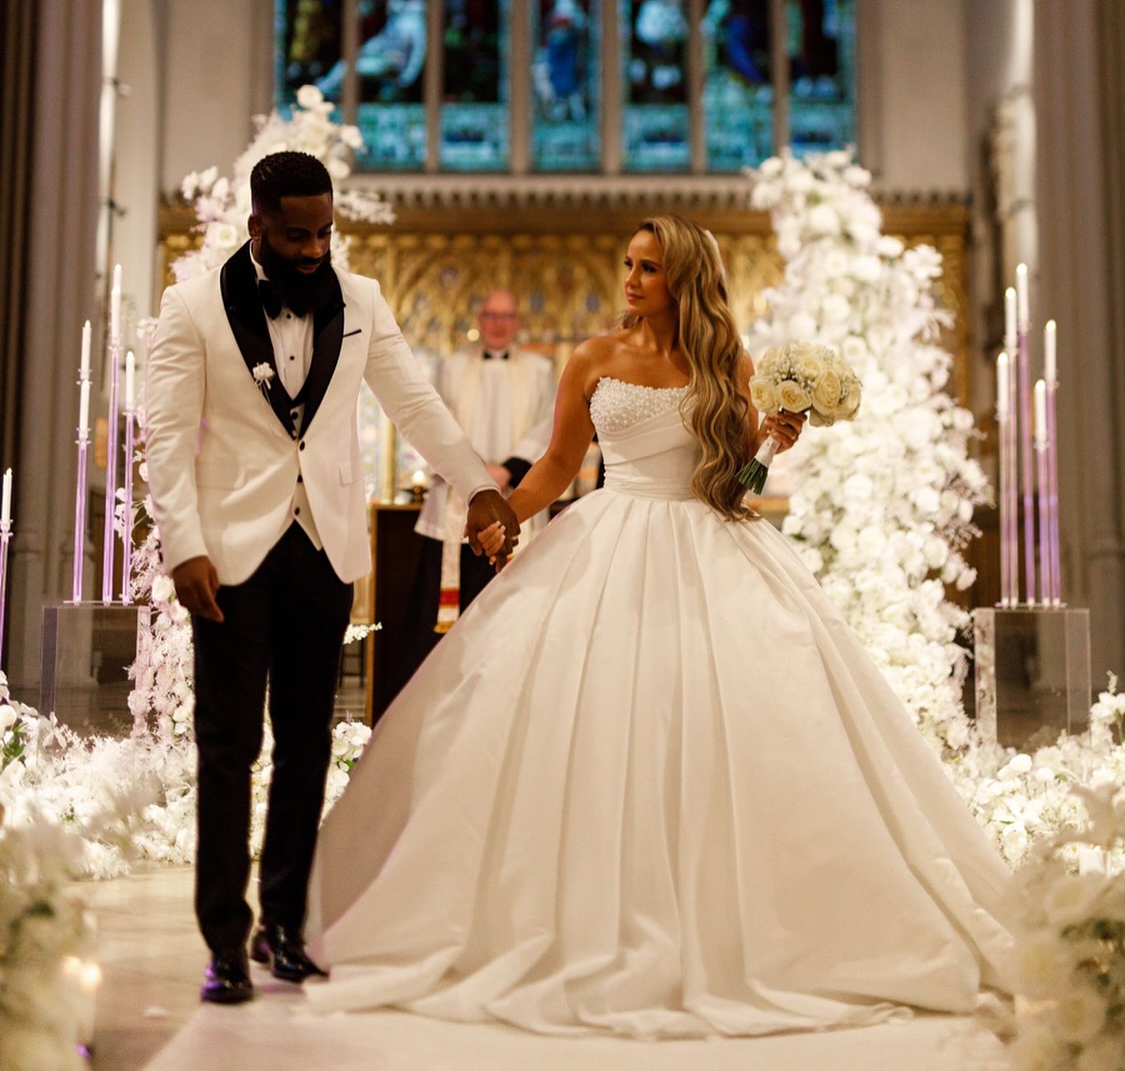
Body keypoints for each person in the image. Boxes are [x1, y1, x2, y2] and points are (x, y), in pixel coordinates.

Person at [303, 215, 1014, 1038]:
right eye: (628, 264)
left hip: (710, 548)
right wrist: (504, 515)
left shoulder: (728, 364)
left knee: (734, 720)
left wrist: (769, 445)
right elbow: (560, 465)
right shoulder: (592, 357)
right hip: (605, 541)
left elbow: (734, 489)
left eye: (648, 268)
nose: (631, 280)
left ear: (683, 279)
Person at [143, 151, 519, 1007]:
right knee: (227, 747)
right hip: (228, 556)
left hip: (323, 550)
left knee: (307, 741)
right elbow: (165, 438)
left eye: (324, 234)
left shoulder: (362, 301)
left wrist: (478, 487)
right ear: (256, 226)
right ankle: (223, 939)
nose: (314, 250)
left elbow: (414, 404)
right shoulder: (192, 307)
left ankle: (281, 923)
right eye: (295, 236)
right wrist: (183, 545)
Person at [408, 289, 555, 656]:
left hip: (517, 493)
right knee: (449, 619)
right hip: (456, 501)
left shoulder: (540, 371)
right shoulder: (451, 367)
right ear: (480, 320)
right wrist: (472, 473)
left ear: (518, 323)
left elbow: (548, 424)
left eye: (506, 316)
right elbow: (436, 423)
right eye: (491, 315)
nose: (498, 324)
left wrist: (507, 470)